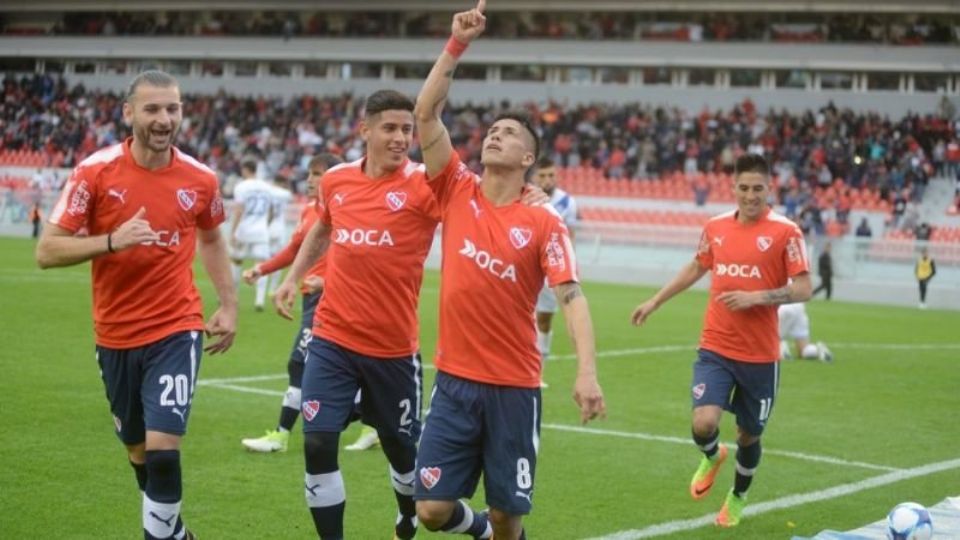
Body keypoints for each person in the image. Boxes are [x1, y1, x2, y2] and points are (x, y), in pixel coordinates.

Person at [411, 4, 606, 539]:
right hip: (454, 382)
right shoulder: (456, 187)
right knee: (431, 510)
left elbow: (571, 296)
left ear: (527, 159)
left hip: (514, 388)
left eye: (510, 133)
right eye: (492, 130)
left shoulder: (544, 220)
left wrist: (586, 372)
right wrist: (456, 44)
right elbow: (425, 114)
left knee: (506, 517)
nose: (495, 135)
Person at [35, 70, 236, 540]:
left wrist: (229, 305)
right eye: (152, 109)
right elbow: (47, 251)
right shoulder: (95, 171)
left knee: (164, 448)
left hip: (176, 327)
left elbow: (211, 239)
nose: (164, 119)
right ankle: (175, 533)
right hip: (115, 334)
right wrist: (111, 241)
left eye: (173, 108)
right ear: (128, 113)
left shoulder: (201, 178)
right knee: (139, 451)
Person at [272, 89, 442, 540]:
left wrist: (527, 195)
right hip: (332, 339)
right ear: (365, 130)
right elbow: (322, 228)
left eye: (407, 129)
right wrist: (293, 277)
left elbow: (481, 202)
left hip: (392, 350)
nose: (400, 138)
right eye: (390, 128)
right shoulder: (337, 180)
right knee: (317, 441)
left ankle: (407, 514)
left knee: (400, 450)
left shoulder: (425, 184)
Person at [631, 153, 811, 528]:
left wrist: (756, 297)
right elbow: (697, 265)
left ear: (770, 188)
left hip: (760, 356)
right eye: (743, 188)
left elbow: (804, 288)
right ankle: (713, 455)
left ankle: (738, 496)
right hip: (716, 346)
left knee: (748, 435)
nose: (750, 195)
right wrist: (655, 301)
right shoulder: (715, 227)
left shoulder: (786, 231)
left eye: (757, 188)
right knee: (703, 423)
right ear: (733, 187)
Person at [240, 153, 342, 453]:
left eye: (317, 174)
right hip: (310, 298)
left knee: (299, 362)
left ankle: (281, 436)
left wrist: (328, 282)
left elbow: (360, 258)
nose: (309, 180)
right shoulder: (310, 211)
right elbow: (293, 250)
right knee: (340, 367)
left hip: (331, 300)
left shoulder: (345, 213)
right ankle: (375, 425)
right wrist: (262, 269)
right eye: (309, 173)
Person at [531, 156, 578, 387]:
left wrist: (570, 266)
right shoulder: (525, 197)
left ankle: (538, 372)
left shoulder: (567, 202)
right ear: (534, 176)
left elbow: (570, 237)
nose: (547, 180)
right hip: (526, 267)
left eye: (551, 175)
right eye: (542, 175)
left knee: (544, 319)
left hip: (551, 270)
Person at [230, 158, 274, 311]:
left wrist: (233, 231)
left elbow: (239, 210)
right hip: (261, 230)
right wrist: (265, 225)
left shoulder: (241, 186)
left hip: (244, 229)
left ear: (245, 170)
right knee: (261, 264)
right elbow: (271, 211)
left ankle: (233, 298)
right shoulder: (267, 187)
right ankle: (259, 300)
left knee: (236, 261)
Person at [267, 172, 295, 295]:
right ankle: (272, 288)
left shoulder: (268, 191)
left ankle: (261, 291)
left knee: (265, 259)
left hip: (268, 226)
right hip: (280, 228)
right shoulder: (285, 193)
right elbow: (291, 197)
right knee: (278, 259)